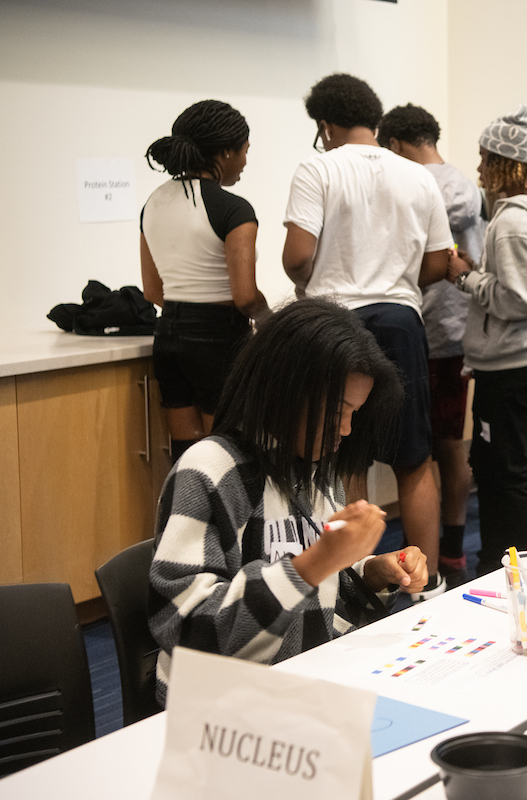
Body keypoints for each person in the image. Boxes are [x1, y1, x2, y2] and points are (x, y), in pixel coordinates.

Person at [148, 298, 430, 705]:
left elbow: (319, 602)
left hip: (297, 689)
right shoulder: (210, 471)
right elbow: (190, 631)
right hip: (215, 714)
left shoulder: (317, 470)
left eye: (355, 413)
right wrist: (314, 564)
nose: (347, 430)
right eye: (336, 412)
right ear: (284, 390)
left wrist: (371, 573)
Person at [282, 74, 453, 596]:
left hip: (337, 324)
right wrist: (398, 281)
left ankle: (348, 577)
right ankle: (426, 581)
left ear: (325, 124)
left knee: (341, 449)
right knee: (415, 458)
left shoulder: (318, 167)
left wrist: (312, 284)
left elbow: (297, 256)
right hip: (401, 322)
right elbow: (441, 261)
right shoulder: (418, 176)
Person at [447, 102, 527, 573]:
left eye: (484, 159)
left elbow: (516, 301)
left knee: (505, 473)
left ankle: (510, 569)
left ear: (504, 163)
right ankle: (502, 561)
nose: (478, 170)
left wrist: (465, 277)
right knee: (495, 464)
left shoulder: (514, 222)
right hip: (506, 363)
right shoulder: (522, 216)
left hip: (507, 366)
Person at [377, 103, 484, 577]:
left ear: (396, 145)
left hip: (427, 332)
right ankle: (454, 548)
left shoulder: (409, 185)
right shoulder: (465, 183)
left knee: (419, 454)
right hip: (460, 335)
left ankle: (417, 556)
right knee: (448, 445)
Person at [140, 99, 270, 462]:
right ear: (227, 152)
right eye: (245, 151)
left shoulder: (153, 202)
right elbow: (245, 296)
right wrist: (275, 326)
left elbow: (153, 290)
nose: (245, 161)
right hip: (220, 339)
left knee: (189, 456)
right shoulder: (234, 209)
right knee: (229, 454)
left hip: (168, 336)